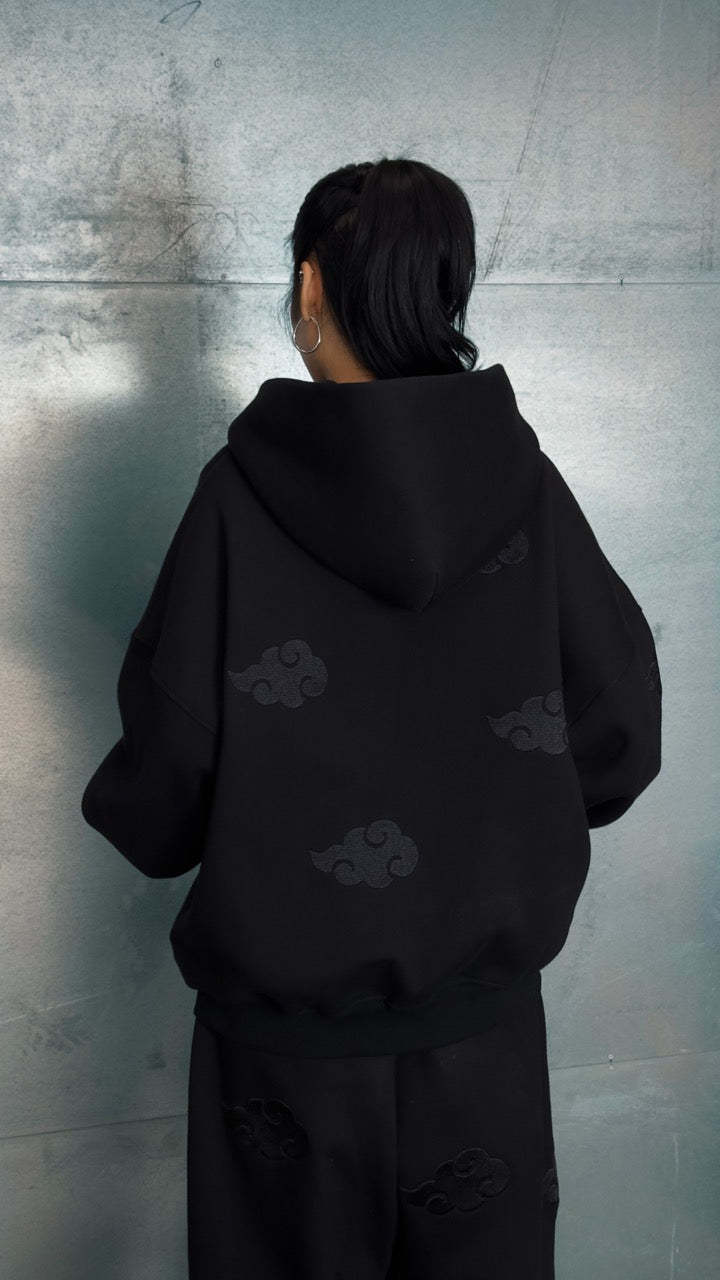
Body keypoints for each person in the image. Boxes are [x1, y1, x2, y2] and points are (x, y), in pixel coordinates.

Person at [80, 156, 662, 1279]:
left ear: (309, 284)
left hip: (282, 1067)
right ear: (447, 289)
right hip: (485, 1047)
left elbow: (167, 775)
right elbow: (620, 731)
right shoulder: (527, 488)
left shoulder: (236, 497)